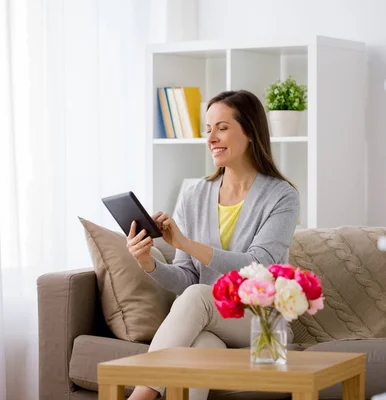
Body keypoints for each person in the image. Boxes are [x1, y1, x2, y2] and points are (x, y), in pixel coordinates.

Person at [125, 90, 300, 400]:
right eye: (208, 130)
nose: (211, 139)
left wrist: (186, 243)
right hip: (214, 321)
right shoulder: (194, 194)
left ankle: (141, 394)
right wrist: (148, 264)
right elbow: (186, 278)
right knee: (202, 347)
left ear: (250, 132)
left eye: (222, 127)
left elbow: (257, 264)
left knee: (198, 298)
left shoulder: (282, 196)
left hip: (263, 324)